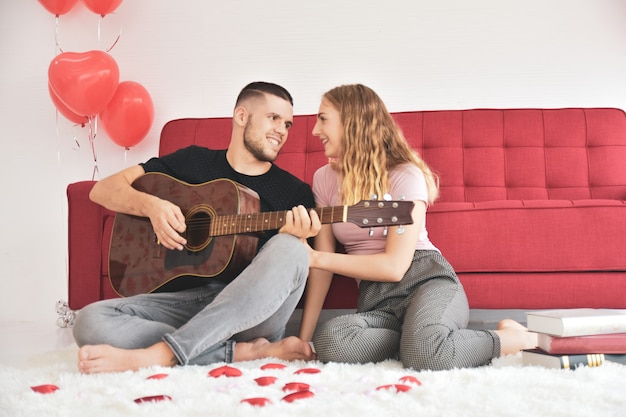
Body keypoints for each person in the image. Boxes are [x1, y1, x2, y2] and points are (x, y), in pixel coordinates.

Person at [73, 81, 320, 374]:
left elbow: (294, 270)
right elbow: (102, 190)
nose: (282, 130)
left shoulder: (294, 194)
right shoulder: (193, 161)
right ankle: (242, 354)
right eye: (274, 118)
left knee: (291, 248)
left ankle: (163, 354)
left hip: (249, 315)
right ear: (241, 116)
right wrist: (153, 207)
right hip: (184, 305)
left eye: (288, 124)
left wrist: (298, 243)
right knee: (89, 321)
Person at [299, 84, 537, 371]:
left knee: (426, 354)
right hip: (376, 300)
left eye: (323, 118)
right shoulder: (324, 179)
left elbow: (395, 267)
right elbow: (321, 269)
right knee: (330, 339)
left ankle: (513, 338)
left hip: (425, 280)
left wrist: (312, 256)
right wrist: (303, 339)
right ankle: (419, 339)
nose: (315, 130)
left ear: (352, 120)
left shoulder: (404, 175)